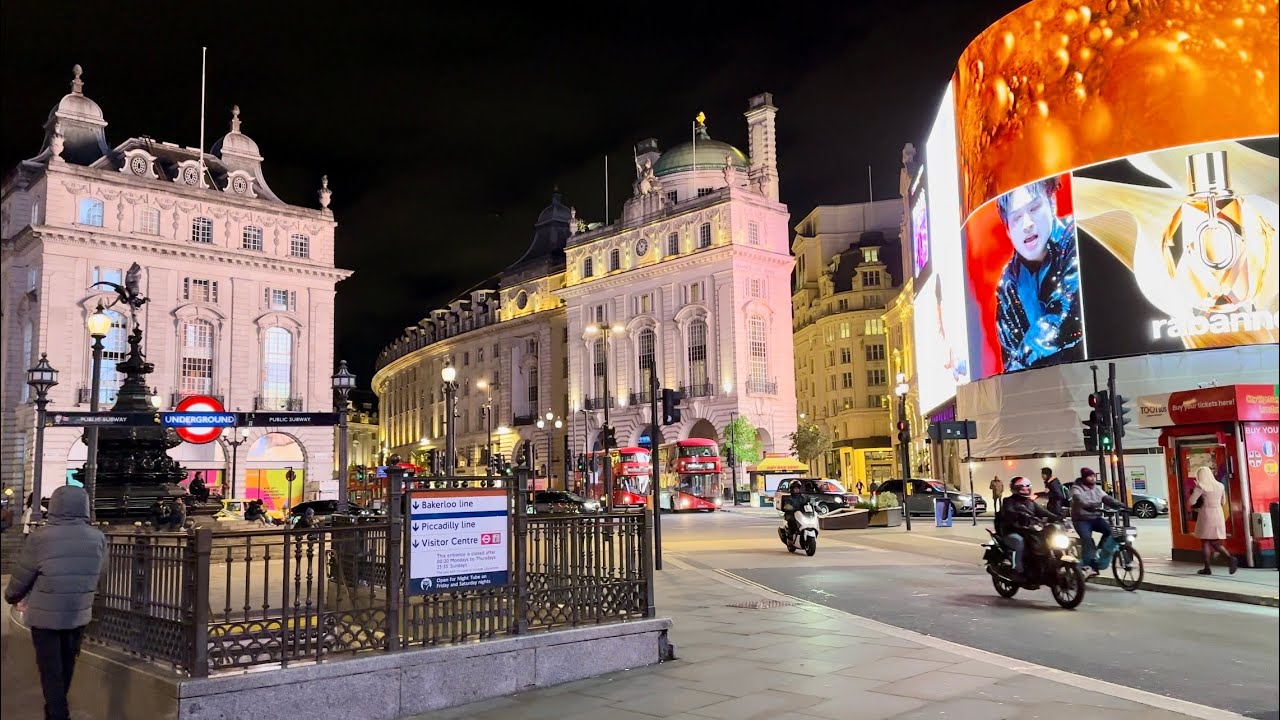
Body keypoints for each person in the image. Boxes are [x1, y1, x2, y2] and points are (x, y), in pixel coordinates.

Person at [4, 486, 107, 720]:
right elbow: (101, 572)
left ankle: (58, 714)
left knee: (51, 670)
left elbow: (24, 574)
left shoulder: (41, 538)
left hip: (45, 617)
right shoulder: (97, 538)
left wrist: (12, 596)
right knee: (67, 664)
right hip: (78, 613)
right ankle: (54, 712)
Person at [993, 177, 1084, 372]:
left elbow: (1064, 317)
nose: (1027, 224)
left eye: (1034, 208)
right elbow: (1009, 353)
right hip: (1041, 394)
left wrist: (1018, 367)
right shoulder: (1008, 284)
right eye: (1016, 218)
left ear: (1052, 203)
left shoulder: (1076, 238)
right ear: (1008, 230)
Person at [996, 476, 1059, 581]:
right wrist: (1018, 514)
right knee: (1020, 542)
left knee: (1046, 541)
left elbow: (1043, 511)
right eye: (1021, 488)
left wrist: (1057, 517)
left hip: (1028, 531)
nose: (1025, 490)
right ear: (1015, 489)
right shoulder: (1008, 501)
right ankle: (1017, 570)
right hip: (1011, 532)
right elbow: (1009, 511)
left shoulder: (1030, 502)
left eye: (1027, 487)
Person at [1071, 468, 1127, 576]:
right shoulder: (1076, 488)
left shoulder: (1097, 488)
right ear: (1084, 478)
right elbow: (1078, 499)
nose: (1092, 478)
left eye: (1093, 476)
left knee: (1110, 532)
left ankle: (1099, 551)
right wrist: (1088, 506)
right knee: (1087, 540)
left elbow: (1107, 498)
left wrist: (1120, 505)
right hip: (1081, 519)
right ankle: (1088, 566)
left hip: (1095, 517)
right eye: (1089, 476)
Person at [1188, 466, 1237, 575]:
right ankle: (1230, 559)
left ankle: (1207, 568)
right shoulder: (1220, 485)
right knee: (1214, 541)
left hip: (1206, 514)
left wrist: (1196, 490)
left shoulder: (1201, 486)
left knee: (1205, 541)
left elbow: (1191, 501)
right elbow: (1223, 502)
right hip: (1218, 514)